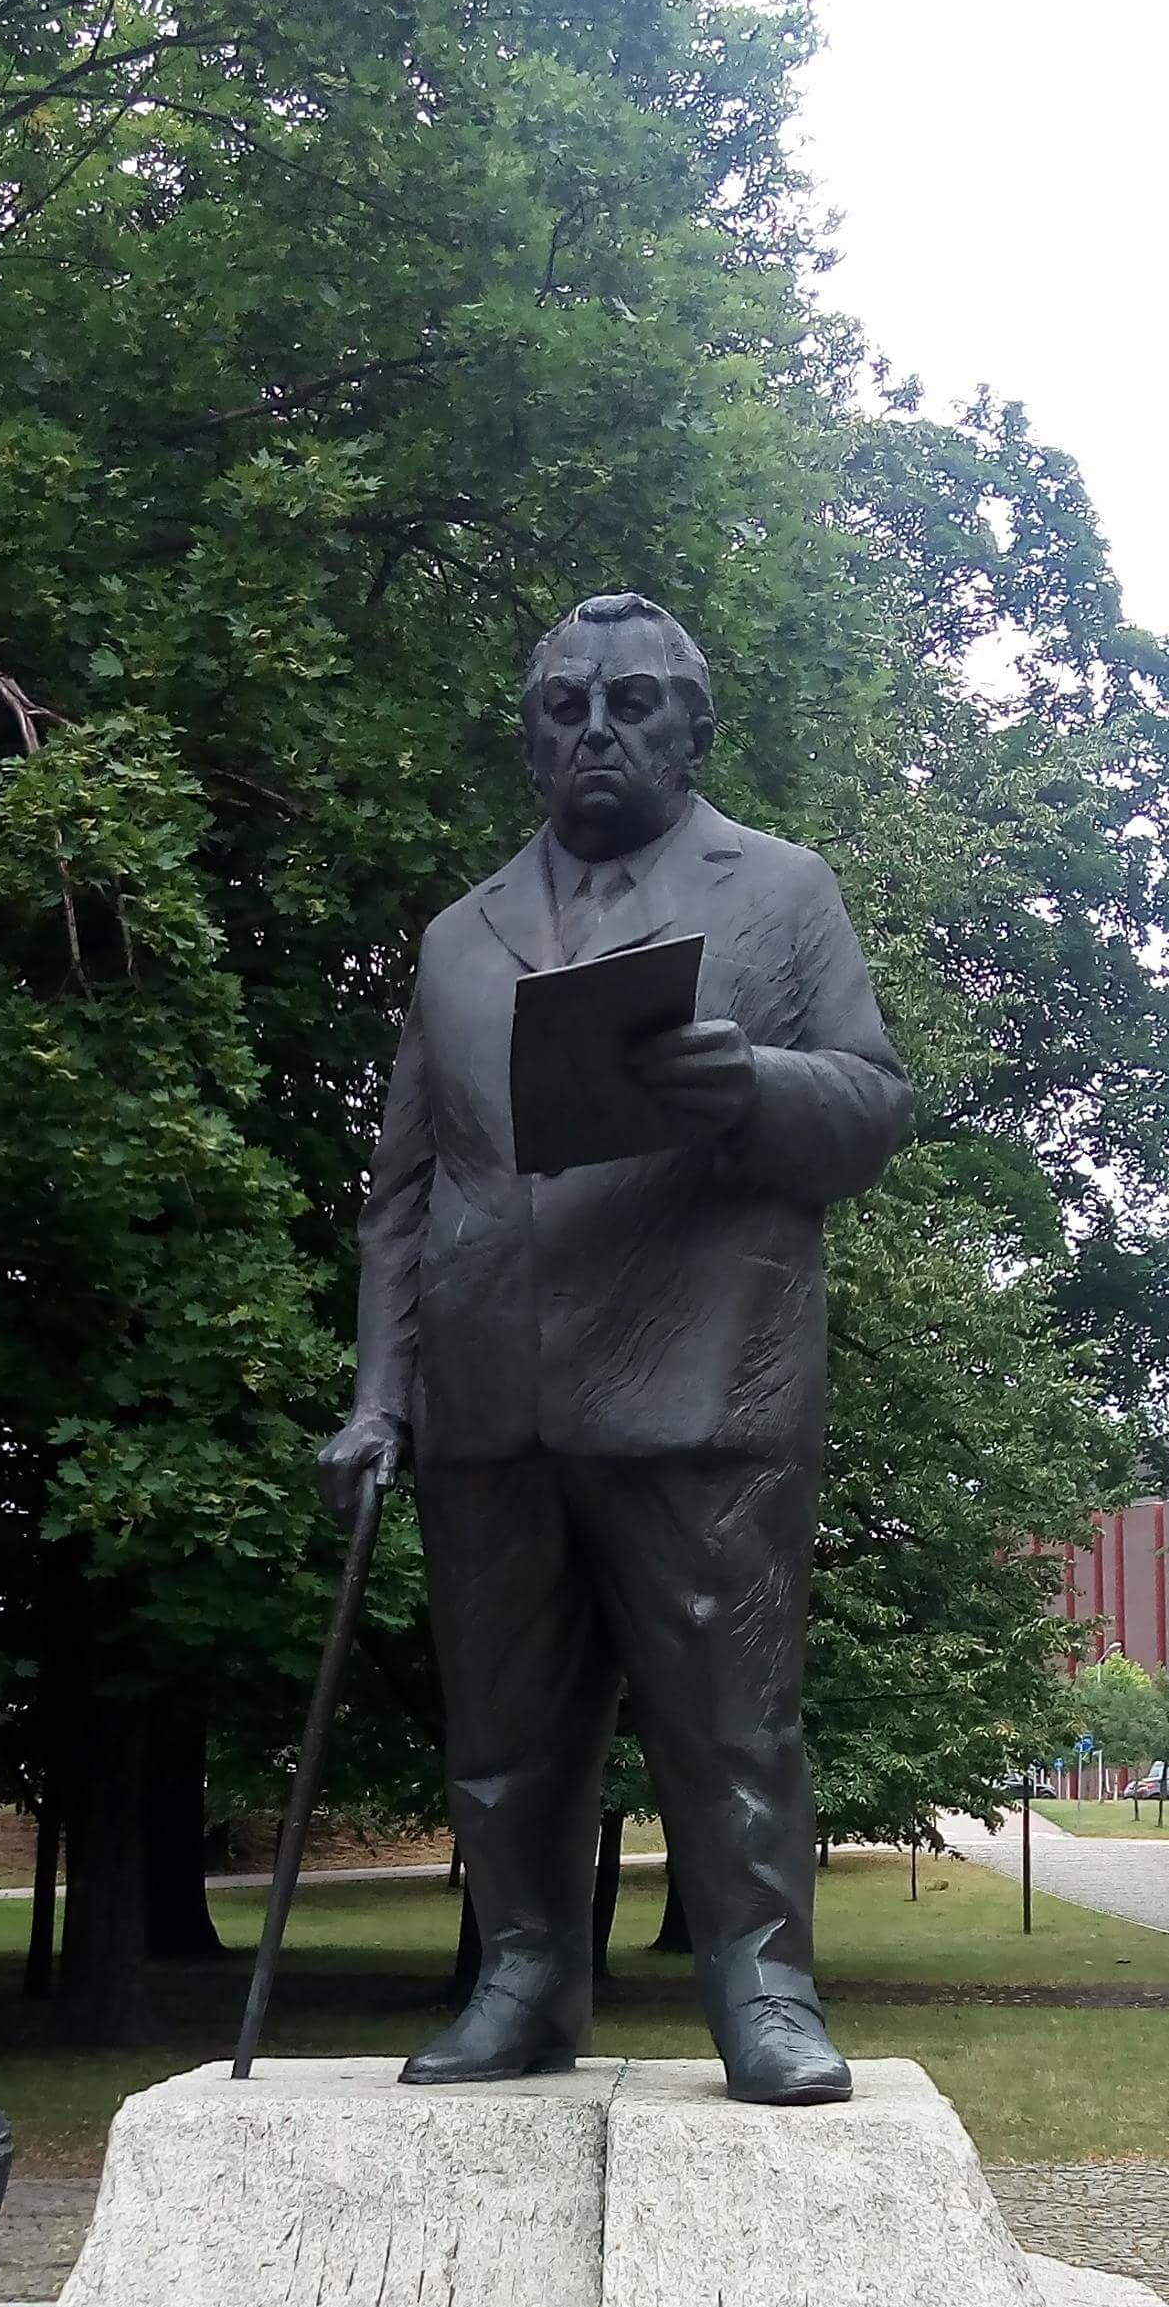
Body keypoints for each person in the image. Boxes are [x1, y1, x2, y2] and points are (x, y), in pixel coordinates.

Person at [319, 591, 912, 2102]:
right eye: (565, 707)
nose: (596, 730)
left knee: (728, 1721)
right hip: (489, 1402)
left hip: (703, 1384)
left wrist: (754, 1085)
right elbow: (403, 1191)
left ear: (691, 731)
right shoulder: (459, 937)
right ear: (530, 741)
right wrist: (381, 1394)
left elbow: (870, 1106)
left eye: (632, 704)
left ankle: (763, 1986)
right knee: (502, 1729)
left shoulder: (780, 893)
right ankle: (523, 1975)